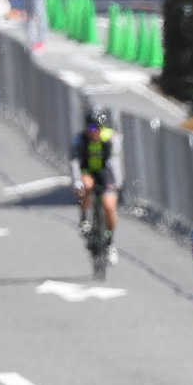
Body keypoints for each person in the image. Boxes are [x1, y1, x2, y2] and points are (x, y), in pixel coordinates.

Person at [70, 106, 122, 265]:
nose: (95, 131)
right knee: (84, 186)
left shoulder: (111, 138)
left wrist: (117, 184)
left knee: (109, 206)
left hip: (105, 172)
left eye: (98, 128)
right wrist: (76, 181)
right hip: (88, 171)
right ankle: (84, 218)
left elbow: (115, 163)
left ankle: (109, 243)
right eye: (91, 128)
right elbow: (75, 163)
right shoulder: (79, 140)